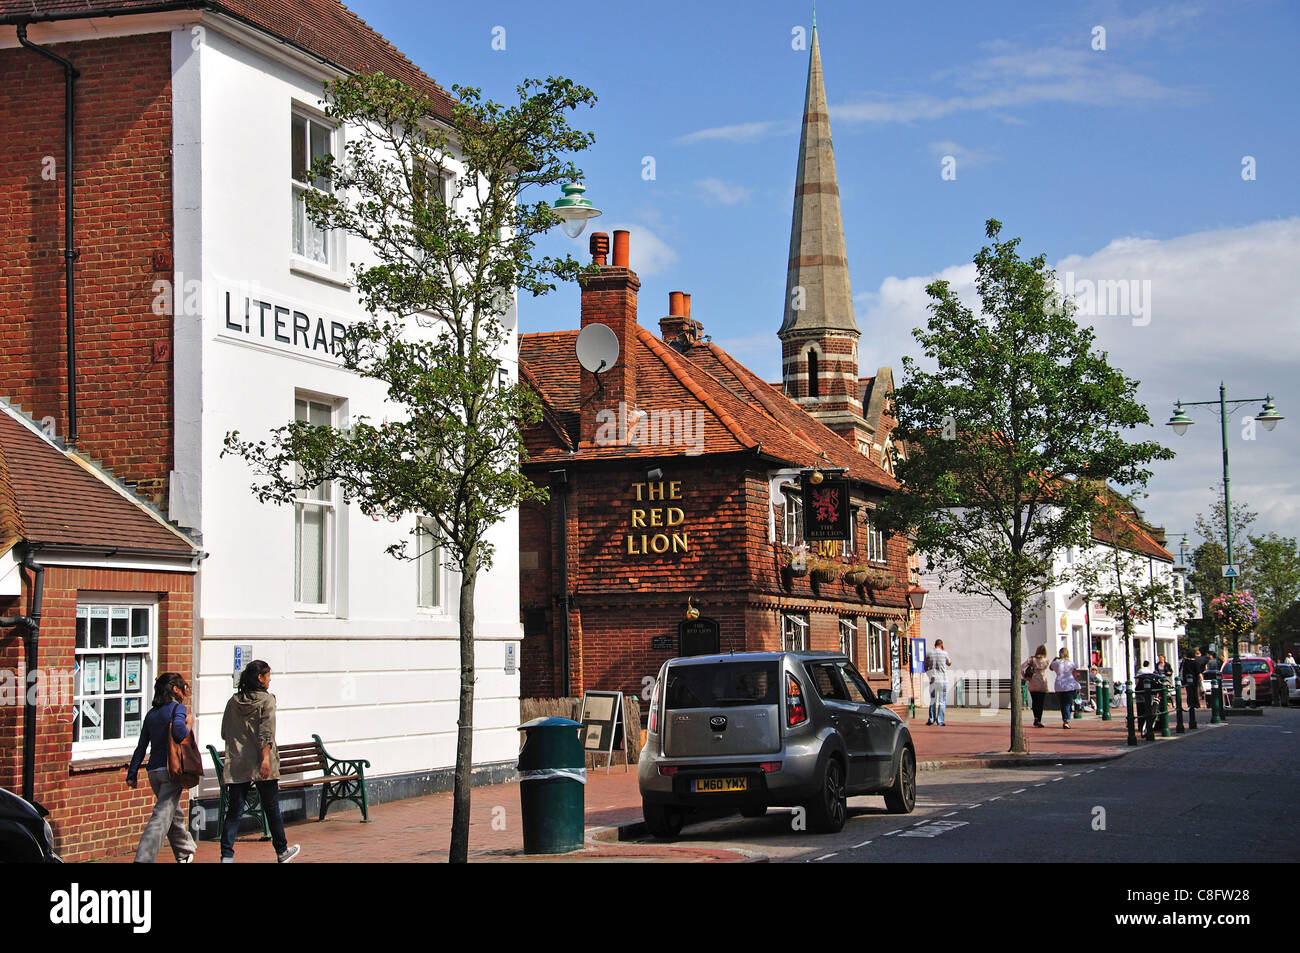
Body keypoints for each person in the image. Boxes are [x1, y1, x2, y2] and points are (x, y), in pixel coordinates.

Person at [220, 660, 300, 864]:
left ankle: (227, 856)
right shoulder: (267, 700)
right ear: (260, 678)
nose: (270, 679)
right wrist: (265, 759)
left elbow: (224, 732)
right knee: (271, 807)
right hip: (261, 761)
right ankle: (282, 851)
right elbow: (266, 733)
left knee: (235, 810)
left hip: (238, 761)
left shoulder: (233, 701)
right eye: (268, 675)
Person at [127, 672, 198, 863]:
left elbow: (141, 746)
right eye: (183, 687)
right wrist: (189, 724)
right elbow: (179, 733)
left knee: (172, 813)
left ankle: (184, 853)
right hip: (171, 771)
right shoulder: (178, 709)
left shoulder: (151, 714)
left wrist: (132, 774)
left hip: (154, 773)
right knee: (160, 818)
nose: (185, 691)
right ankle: (143, 859)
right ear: (175, 689)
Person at [1049, 648, 1081, 728]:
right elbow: (1075, 674)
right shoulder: (1071, 663)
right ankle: (1066, 720)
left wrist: (1054, 660)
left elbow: (1050, 668)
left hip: (1059, 686)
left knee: (1063, 704)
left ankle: (1066, 719)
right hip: (1069, 685)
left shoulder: (1056, 663)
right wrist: (1078, 684)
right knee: (1067, 703)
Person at [1023, 645, 1051, 728]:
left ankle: (1035, 717)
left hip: (1033, 680)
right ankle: (1039, 719)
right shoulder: (1046, 660)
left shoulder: (1031, 659)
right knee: (1041, 702)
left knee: (1035, 701)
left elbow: (1022, 667)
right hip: (1042, 681)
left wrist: (1025, 677)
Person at [926, 639, 952, 726]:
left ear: (935, 644)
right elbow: (949, 663)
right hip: (943, 680)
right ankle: (940, 721)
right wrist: (943, 650)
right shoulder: (944, 653)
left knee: (932, 700)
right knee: (942, 701)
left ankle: (931, 719)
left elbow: (925, 666)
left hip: (933, 679)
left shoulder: (929, 653)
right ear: (941, 645)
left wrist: (929, 675)